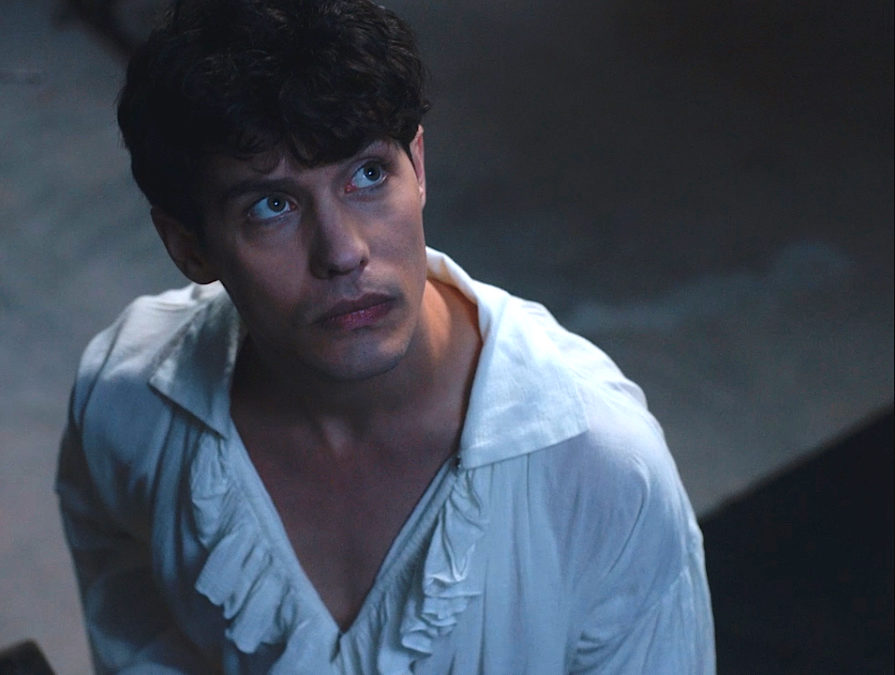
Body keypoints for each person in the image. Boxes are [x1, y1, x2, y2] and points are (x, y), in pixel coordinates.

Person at [55, 0, 716, 672]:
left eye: (367, 175)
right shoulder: (127, 402)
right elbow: (132, 628)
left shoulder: (599, 466)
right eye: (271, 206)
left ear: (417, 168)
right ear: (188, 247)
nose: (343, 252)